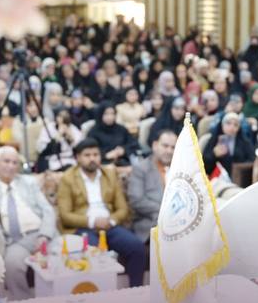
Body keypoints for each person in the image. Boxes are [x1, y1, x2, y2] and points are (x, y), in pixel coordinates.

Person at [0, 146, 58, 299]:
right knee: (11, 265)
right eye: (6, 161)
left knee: (64, 257)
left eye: (15, 162)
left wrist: (44, 235)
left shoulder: (30, 182)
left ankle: (60, 300)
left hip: (42, 233)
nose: (11, 166)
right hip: (16, 241)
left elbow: (48, 210)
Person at [56, 139, 145, 286]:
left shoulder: (109, 175)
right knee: (96, 253)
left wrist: (110, 221)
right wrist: (93, 221)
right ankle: (100, 297)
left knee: (136, 247)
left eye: (95, 154)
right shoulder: (68, 178)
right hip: (84, 227)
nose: (92, 159)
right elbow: (65, 215)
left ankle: (136, 291)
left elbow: (123, 208)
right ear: (78, 157)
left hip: (110, 225)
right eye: (87, 155)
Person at [127, 130, 176, 242]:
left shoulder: (179, 169)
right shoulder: (141, 168)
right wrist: (166, 212)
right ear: (155, 145)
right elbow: (137, 200)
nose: (169, 151)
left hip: (178, 222)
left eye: (173, 147)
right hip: (150, 221)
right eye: (165, 146)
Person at [202, 112, 255, 176]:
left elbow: (252, 161)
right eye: (228, 123)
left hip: (239, 177)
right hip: (217, 178)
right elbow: (203, 166)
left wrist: (238, 166)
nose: (232, 127)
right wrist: (214, 154)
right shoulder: (214, 140)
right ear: (222, 125)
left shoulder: (245, 142)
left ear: (239, 128)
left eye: (236, 125)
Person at [87, 103, 136, 167]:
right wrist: (106, 155)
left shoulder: (121, 129)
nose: (110, 117)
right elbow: (89, 150)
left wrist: (123, 150)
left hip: (124, 162)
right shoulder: (93, 132)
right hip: (102, 164)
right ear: (100, 114)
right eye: (106, 114)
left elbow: (133, 144)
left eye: (112, 114)